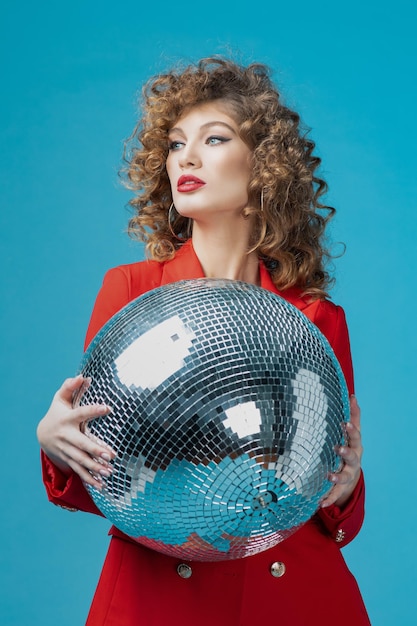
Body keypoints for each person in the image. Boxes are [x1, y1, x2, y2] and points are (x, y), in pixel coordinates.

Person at [37, 57, 370, 625]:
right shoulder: (131, 290)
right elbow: (109, 470)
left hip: (293, 596)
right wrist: (54, 441)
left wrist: (344, 485)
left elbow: (330, 501)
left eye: (214, 139)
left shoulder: (315, 316)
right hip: (162, 598)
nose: (185, 158)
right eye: (174, 144)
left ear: (264, 167)